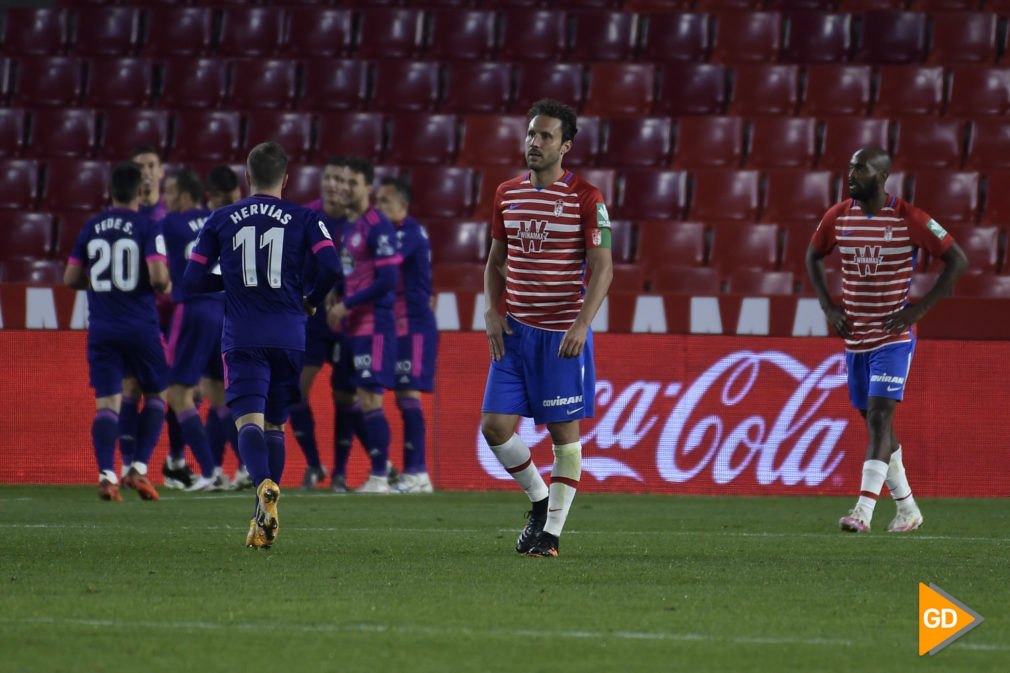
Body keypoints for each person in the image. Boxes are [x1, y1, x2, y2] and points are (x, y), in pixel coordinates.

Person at [183, 141, 342, 549]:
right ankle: (262, 519)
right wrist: (308, 298)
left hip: (243, 336)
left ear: (247, 177)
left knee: (247, 423)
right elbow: (331, 266)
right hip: (290, 336)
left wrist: (230, 281)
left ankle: (263, 487)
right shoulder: (306, 217)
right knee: (275, 425)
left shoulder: (221, 218)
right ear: (286, 179)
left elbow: (192, 280)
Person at [806, 146, 968, 534]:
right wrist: (829, 308)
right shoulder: (837, 217)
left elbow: (957, 258)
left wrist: (920, 310)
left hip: (892, 338)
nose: (851, 175)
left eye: (859, 169)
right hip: (855, 340)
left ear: (881, 177)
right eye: (850, 168)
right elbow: (812, 256)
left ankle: (862, 512)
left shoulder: (910, 218)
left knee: (880, 418)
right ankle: (908, 509)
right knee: (878, 427)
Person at [480, 99, 613, 558]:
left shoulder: (587, 198)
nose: (534, 143)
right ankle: (539, 500)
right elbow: (496, 262)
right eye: (531, 134)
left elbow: (603, 270)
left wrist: (581, 324)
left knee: (564, 440)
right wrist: (490, 311)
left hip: (560, 338)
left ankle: (551, 535)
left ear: (566, 147)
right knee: (494, 428)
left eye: (546, 136)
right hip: (514, 334)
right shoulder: (506, 193)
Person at [64, 161, 171, 502]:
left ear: (110, 191)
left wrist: (97, 284)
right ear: (140, 191)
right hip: (141, 326)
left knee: (107, 404)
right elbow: (157, 277)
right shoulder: (147, 225)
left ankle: (107, 474)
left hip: (102, 327)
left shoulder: (91, 226)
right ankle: (138, 467)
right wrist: (166, 282)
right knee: (156, 394)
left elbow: (69, 279)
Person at [325, 157, 402, 494]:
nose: (343, 188)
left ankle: (380, 476)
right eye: (341, 181)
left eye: (351, 183)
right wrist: (337, 292)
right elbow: (356, 273)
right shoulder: (350, 226)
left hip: (374, 325)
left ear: (367, 187)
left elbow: (388, 279)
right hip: (351, 327)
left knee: (371, 399)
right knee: (347, 394)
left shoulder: (377, 225)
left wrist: (347, 303)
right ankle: (359, 472)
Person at [160, 169, 227, 491]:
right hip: (221, 308)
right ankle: (243, 470)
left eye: (170, 192)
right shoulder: (217, 219)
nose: (165, 199)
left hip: (192, 309)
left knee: (177, 392)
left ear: (186, 196)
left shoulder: (170, 223)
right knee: (220, 394)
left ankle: (210, 471)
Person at [288, 159, 349, 490]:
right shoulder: (306, 216)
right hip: (311, 317)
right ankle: (313, 465)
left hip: (348, 321)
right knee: (296, 393)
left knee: (346, 397)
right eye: (329, 178)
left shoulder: (357, 222)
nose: (334, 185)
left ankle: (341, 472)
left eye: (340, 179)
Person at [375, 176, 437, 494]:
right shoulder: (394, 232)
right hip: (393, 322)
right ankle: (396, 468)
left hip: (412, 323)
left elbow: (383, 264)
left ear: (402, 205)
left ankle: (418, 473)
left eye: (385, 201)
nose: (379, 207)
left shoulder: (408, 233)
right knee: (390, 395)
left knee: (407, 395)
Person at [202, 164, 250, 489]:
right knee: (218, 396)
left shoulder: (210, 222)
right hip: (232, 315)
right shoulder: (240, 219)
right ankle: (218, 469)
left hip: (219, 315)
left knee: (220, 398)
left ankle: (241, 467)